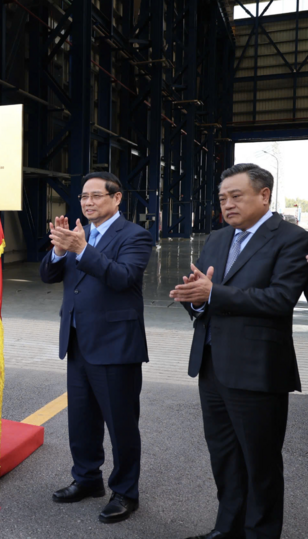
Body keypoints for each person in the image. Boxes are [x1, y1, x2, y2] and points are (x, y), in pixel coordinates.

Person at [170, 163, 308, 539]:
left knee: (260, 463)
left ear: (264, 195)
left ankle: (260, 533)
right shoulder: (217, 238)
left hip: (257, 369)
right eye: (222, 198)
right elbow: (204, 290)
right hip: (212, 364)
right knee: (225, 457)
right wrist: (194, 300)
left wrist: (213, 293)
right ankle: (227, 529)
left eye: (236, 196)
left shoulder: (292, 239)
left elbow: (279, 299)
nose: (227, 205)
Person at [39, 171, 153, 523]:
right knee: (82, 420)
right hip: (78, 342)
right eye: (84, 197)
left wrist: (81, 249)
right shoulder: (80, 234)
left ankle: (125, 492)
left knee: (120, 424)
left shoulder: (135, 235)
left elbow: (123, 277)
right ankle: (87, 479)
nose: (87, 202)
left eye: (96, 196)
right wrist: (59, 250)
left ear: (117, 199)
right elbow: (48, 275)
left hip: (115, 345)